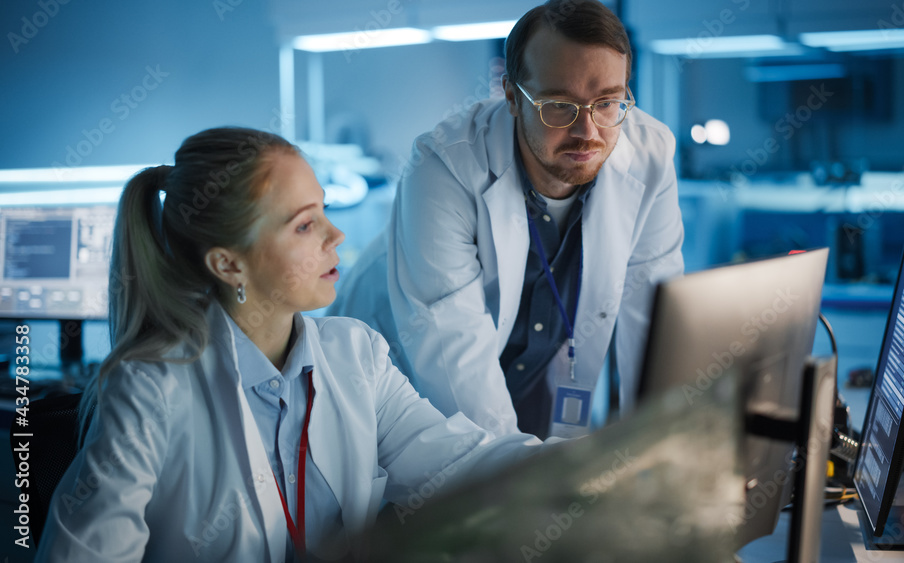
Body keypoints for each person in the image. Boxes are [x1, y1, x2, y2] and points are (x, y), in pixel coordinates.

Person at [35, 127, 546, 562]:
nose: (336, 234)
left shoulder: (355, 353)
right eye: (305, 224)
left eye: (323, 210)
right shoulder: (149, 388)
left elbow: (457, 462)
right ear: (228, 264)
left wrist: (594, 465)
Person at [332, 0, 684, 440]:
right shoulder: (445, 165)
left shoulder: (650, 153)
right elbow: (452, 352)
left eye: (608, 103)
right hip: (403, 380)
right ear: (513, 97)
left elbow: (656, 315)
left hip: (531, 376)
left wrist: (663, 449)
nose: (588, 131)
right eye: (560, 105)